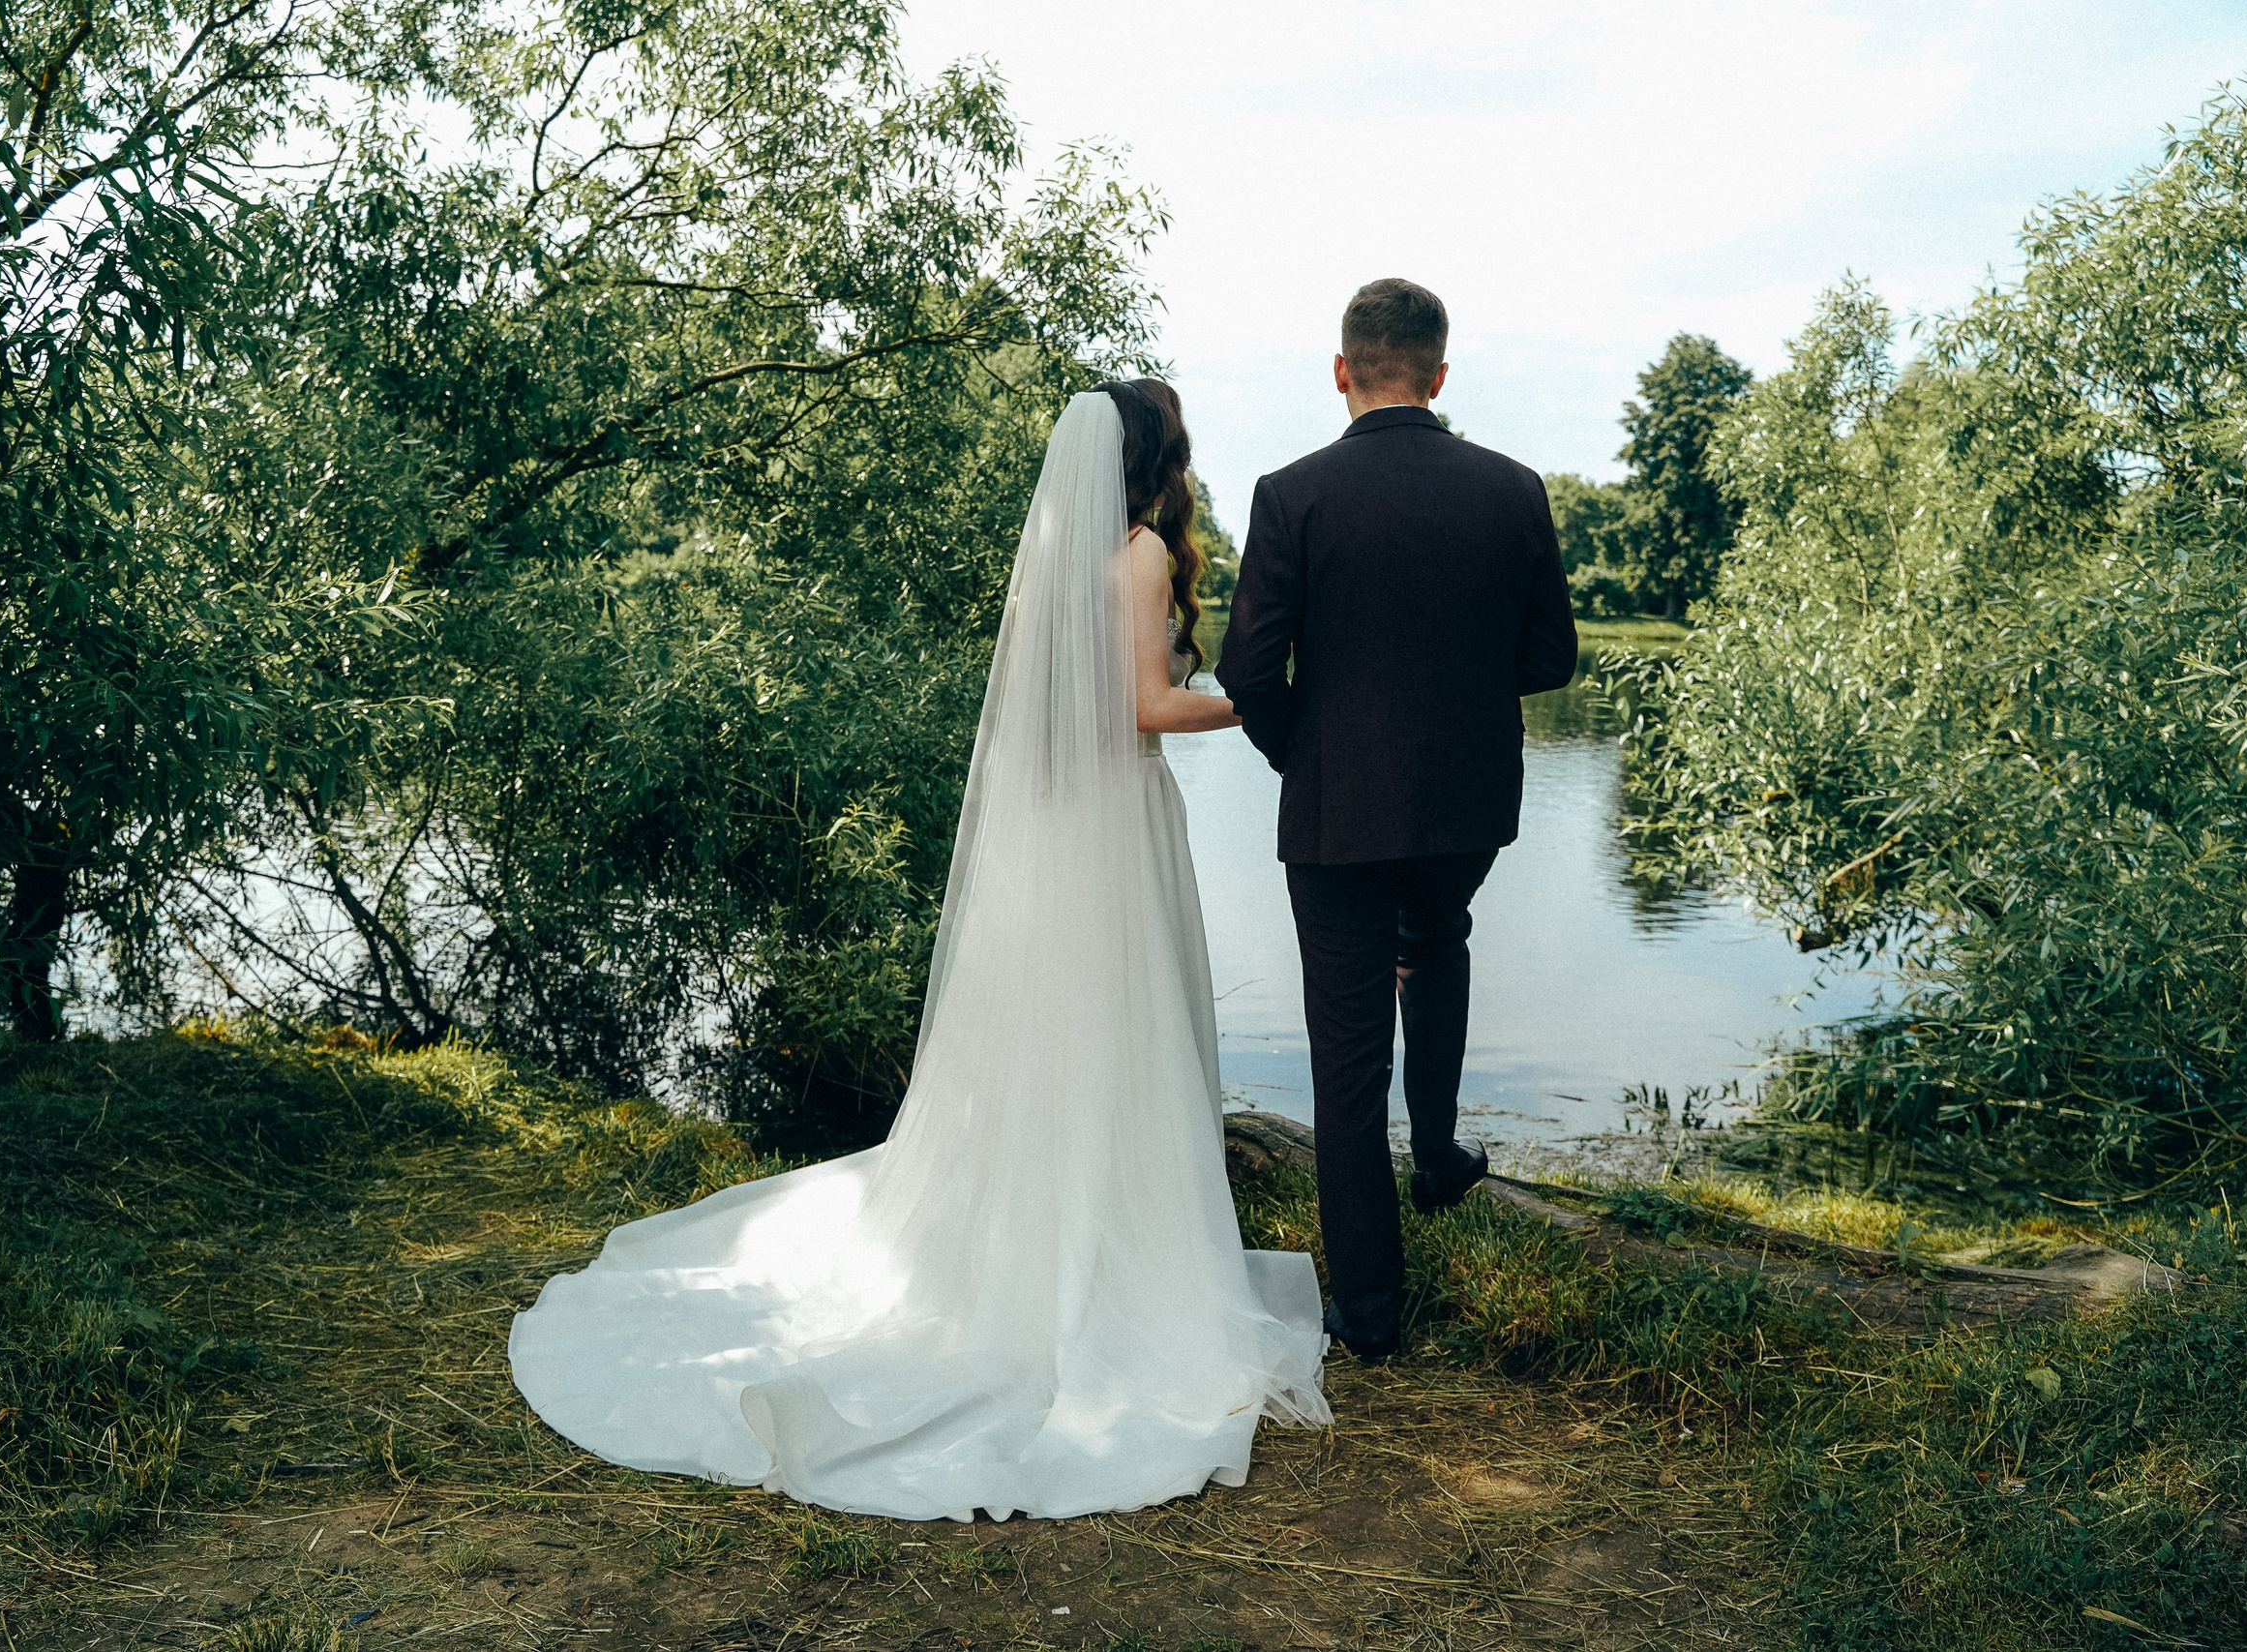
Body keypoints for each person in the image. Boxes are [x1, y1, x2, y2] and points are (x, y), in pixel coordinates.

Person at [508, 380, 1331, 1522]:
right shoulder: (1140, 553)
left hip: (1055, 829)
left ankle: (1042, 1233)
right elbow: (1144, 708)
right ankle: (1108, 1247)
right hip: (1113, 823)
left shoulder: (1057, 562)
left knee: (1053, 1034)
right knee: (1114, 1031)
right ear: (1158, 460)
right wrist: (1264, 700)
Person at [1216, 278, 1578, 1363]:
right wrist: (1459, 694)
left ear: (1343, 369)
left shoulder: (1292, 494)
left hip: (1337, 809)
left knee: (1346, 1057)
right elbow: (1549, 657)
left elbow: (1248, 670)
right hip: (1467, 804)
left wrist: (1305, 752)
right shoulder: (1513, 489)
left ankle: (1370, 1312)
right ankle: (1438, 1156)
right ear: (1438, 374)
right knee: (1438, 939)